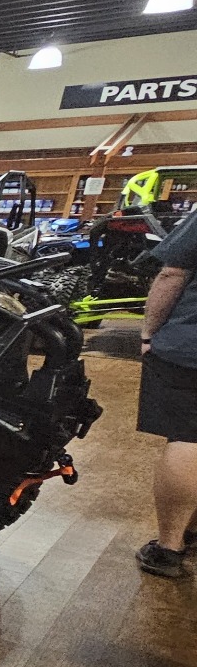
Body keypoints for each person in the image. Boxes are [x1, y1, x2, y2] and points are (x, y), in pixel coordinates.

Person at [137, 216, 197, 578]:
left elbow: (172, 274)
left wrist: (148, 332)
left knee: (189, 437)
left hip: (191, 349)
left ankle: (169, 547)